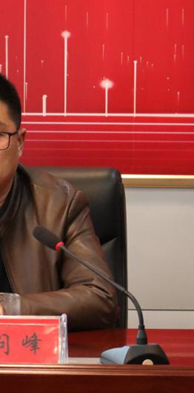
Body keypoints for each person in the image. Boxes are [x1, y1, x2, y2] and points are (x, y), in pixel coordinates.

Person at [0, 74, 117, 329]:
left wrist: (10, 308)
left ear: (19, 142)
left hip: (29, 353)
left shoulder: (60, 203)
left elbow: (100, 297)